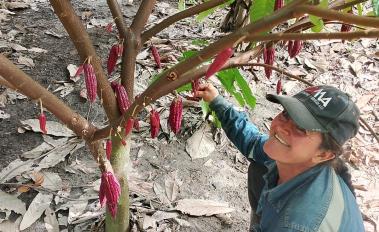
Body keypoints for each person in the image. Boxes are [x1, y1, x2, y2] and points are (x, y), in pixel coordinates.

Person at [195, 83, 364, 232]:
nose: (281, 127)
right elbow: (252, 141)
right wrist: (217, 101)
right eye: (286, 114)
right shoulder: (298, 159)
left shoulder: (296, 224)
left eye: (301, 128)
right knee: (260, 165)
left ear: (324, 154)